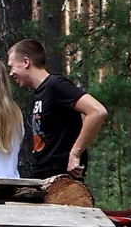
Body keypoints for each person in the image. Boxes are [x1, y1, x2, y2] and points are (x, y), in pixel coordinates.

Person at [9, 38, 106, 181]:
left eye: (12, 66)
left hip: (62, 178)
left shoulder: (56, 85)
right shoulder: (41, 92)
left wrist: (75, 154)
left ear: (26, 62)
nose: (11, 73)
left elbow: (97, 111)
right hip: (44, 175)